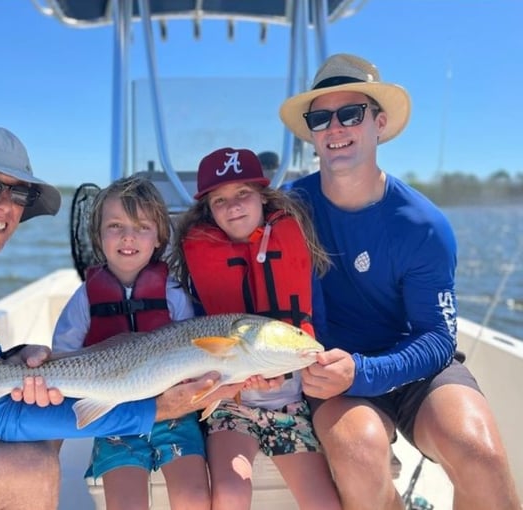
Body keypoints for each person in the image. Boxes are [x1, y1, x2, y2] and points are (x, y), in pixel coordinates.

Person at [0, 125, 241, 510]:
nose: (4, 205)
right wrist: (156, 409)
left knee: (44, 426)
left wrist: (18, 357)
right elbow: (2, 417)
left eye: (19, 192)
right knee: (30, 466)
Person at [279, 53, 522, 510]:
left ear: (379, 123)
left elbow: (437, 338)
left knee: (481, 455)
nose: (336, 127)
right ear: (311, 132)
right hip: (334, 376)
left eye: (351, 113)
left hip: (415, 368)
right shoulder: (289, 209)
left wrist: (367, 371)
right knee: (358, 454)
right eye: (321, 117)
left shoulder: (423, 225)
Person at [170, 147, 341, 510]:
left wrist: (292, 372)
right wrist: (230, 385)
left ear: (263, 196)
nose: (233, 206)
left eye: (243, 194)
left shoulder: (295, 249)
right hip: (229, 406)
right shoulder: (199, 262)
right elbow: (192, 347)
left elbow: (317, 330)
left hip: (292, 402)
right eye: (220, 200)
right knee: (231, 494)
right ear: (208, 210)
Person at [52, 176, 209, 510]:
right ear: (98, 236)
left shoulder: (174, 294)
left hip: (174, 413)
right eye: (115, 225)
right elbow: (62, 354)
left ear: (159, 238)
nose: (128, 236)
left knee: (194, 498)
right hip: (113, 416)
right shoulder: (84, 299)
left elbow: (196, 350)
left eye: (142, 227)